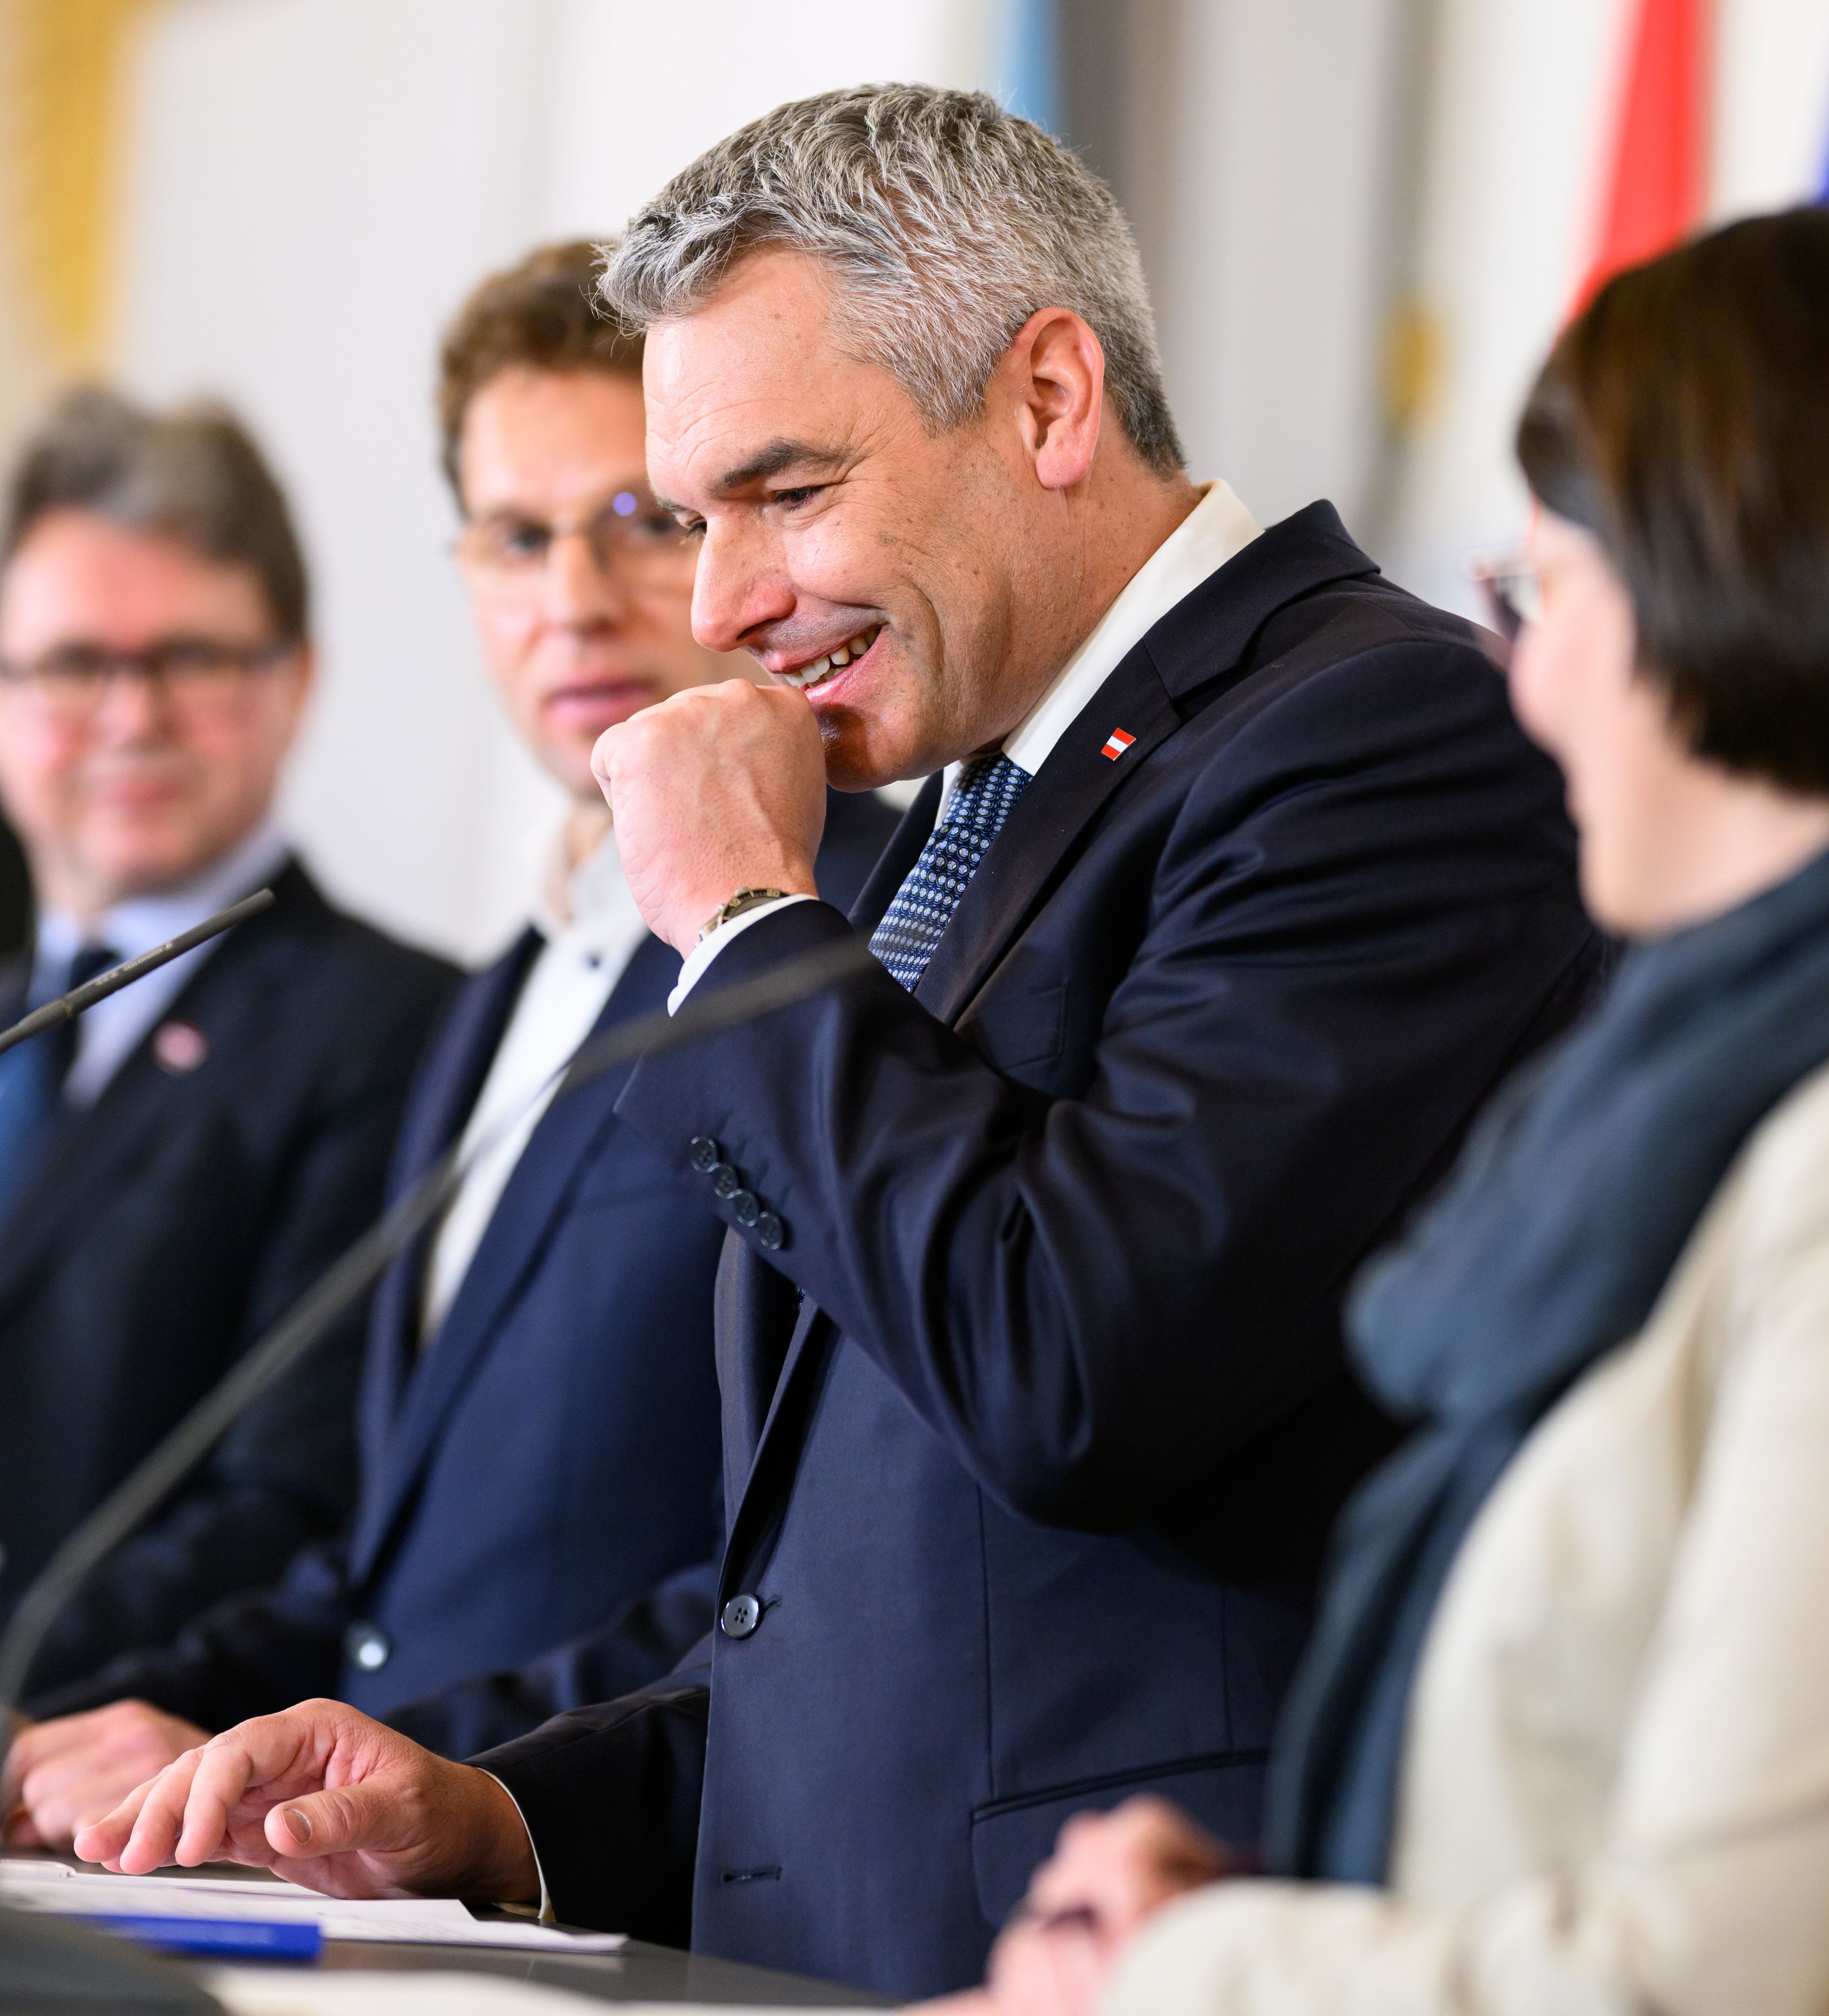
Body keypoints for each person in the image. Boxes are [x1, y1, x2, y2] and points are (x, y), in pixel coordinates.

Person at [70, 89, 1602, 1998]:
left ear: (1049, 399)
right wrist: (498, 1813)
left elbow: (1073, 1369)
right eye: (697, 518)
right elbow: (847, 1599)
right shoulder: (988, 809)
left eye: (788, 496)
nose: (720, 605)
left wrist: (736, 920)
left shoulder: (1372, 739)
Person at [937, 206, 1829, 2016]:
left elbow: (1722, 1976)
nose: (1524, 677)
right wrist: (1295, 1909)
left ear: (1736, 582)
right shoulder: (1678, 1116)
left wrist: (1203, 1982)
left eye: (1543, 595)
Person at [2, 243, 898, 1843]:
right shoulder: (513, 984)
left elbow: (806, 1556)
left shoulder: (862, 921)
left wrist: (460, 1777)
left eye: (644, 521)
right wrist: (190, 1727)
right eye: (516, 535)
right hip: (404, 1879)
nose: (572, 599)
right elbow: (384, 1568)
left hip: (664, 1868)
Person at [0, 387, 459, 1695]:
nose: (134, 718)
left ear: (295, 679)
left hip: (129, 1789)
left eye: (193, 660)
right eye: (78, 663)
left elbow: (294, 1496)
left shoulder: (401, 1026)